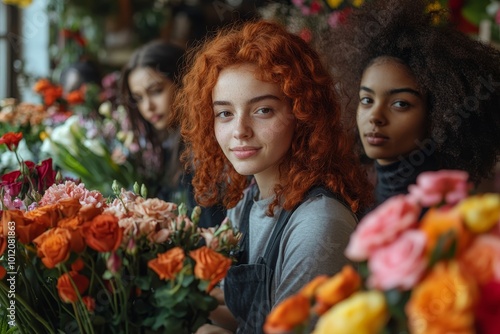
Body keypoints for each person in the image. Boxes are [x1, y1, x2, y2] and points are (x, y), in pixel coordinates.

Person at [174, 20, 373, 333]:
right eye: (224, 113)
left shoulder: (317, 224)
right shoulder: (249, 200)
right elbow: (244, 312)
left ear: (302, 112)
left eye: (262, 110)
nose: (239, 130)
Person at [326, 0, 500, 208]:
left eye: (400, 104)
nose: (375, 116)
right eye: (367, 100)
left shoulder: (445, 216)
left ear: (439, 115)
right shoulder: (351, 199)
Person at [120, 39, 225, 228]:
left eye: (156, 91)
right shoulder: (163, 148)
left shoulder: (207, 149)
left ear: (184, 82)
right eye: (138, 98)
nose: (147, 107)